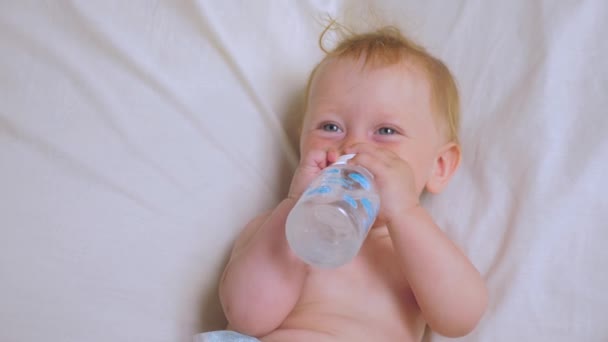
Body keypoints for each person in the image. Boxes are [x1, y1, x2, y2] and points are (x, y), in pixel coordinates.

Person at [197, 23, 488, 342]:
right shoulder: (274, 229)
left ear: (440, 166)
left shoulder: (422, 249)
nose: (351, 146)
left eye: (386, 132)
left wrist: (405, 211)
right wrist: (293, 210)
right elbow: (246, 317)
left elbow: (460, 319)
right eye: (330, 127)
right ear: (302, 142)